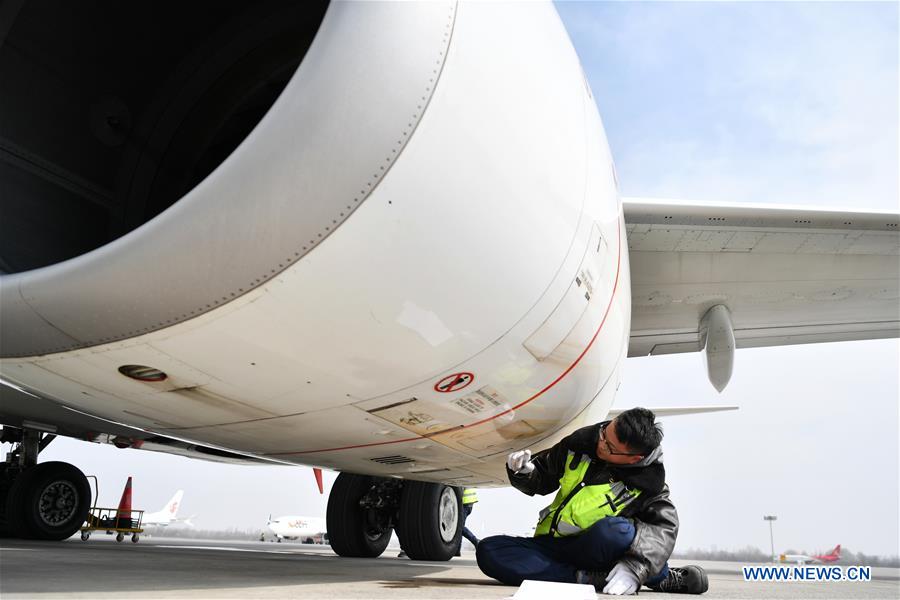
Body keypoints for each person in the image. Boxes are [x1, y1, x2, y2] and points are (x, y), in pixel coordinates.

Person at [475, 407, 708, 595]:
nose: (600, 443)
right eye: (604, 433)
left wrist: (636, 568)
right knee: (490, 550)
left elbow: (663, 530)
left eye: (609, 446)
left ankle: (661, 576)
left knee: (616, 531)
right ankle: (588, 579)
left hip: (597, 550)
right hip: (552, 545)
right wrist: (524, 471)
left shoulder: (649, 485)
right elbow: (543, 479)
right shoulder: (580, 445)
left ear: (634, 458)